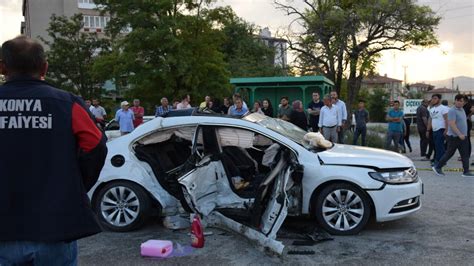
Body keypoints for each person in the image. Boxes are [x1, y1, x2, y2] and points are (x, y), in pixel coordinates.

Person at [0, 36, 107, 264]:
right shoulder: (66, 103)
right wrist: (78, 184)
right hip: (55, 226)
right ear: (44, 67)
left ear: (2, 67)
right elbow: (95, 145)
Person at [432, 94, 474, 177]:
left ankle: (466, 171)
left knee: (465, 154)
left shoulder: (461, 110)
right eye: (457, 100)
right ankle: (438, 167)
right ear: (455, 101)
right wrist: (459, 134)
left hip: (463, 137)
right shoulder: (452, 110)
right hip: (454, 137)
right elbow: (451, 124)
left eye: (461, 101)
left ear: (464, 102)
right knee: (449, 153)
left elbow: (462, 120)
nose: (459, 102)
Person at [427, 94, 449, 165]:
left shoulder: (443, 108)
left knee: (440, 146)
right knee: (436, 146)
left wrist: (446, 130)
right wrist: (428, 130)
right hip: (434, 130)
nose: (433, 100)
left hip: (441, 129)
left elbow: (446, 119)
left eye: (435, 98)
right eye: (432, 98)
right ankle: (441, 161)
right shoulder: (432, 109)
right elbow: (430, 120)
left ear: (439, 99)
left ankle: (439, 161)